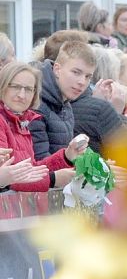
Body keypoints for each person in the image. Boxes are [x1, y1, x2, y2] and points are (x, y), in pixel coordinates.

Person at [1, 61, 87, 192]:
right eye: (15, 87)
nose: (21, 95)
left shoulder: (23, 122)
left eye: (29, 89)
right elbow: (9, 179)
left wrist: (66, 156)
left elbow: (33, 170)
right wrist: (53, 179)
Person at [32, 40, 96, 160]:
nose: (82, 82)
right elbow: (41, 164)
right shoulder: (36, 103)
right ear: (57, 69)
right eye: (76, 72)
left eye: (88, 77)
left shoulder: (64, 102)